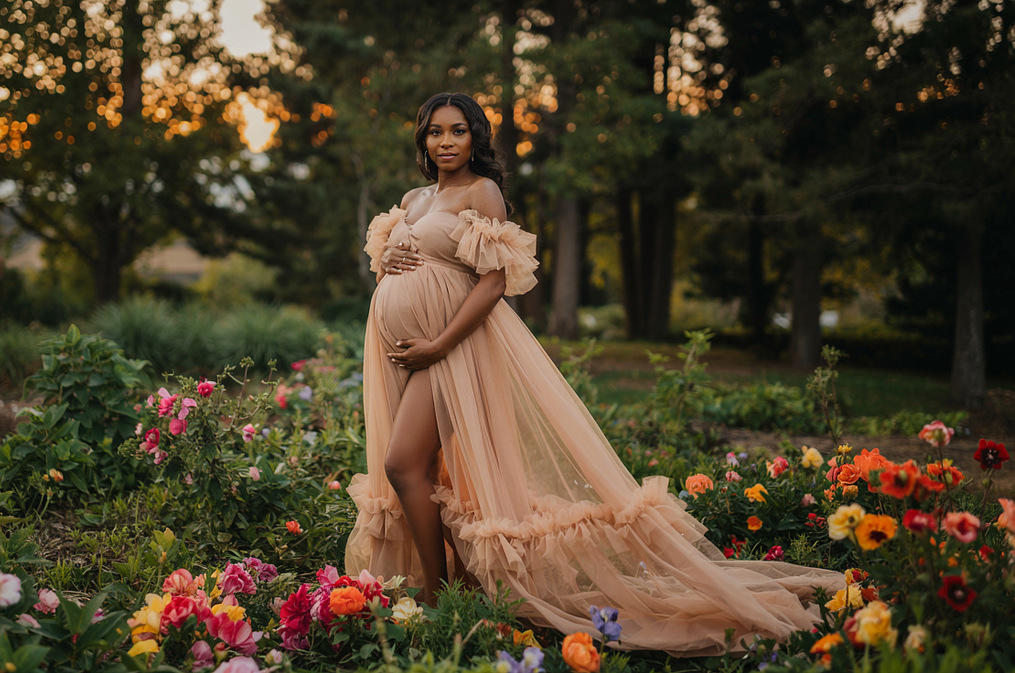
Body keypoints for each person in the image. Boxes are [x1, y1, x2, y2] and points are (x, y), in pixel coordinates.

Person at [343, 92, 844, 657]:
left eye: (458, 131)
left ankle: (440, 597)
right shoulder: (414, 198)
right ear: (423, 139)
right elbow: (403, 259)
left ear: (475, 138)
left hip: (453, 351)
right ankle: (460, 590)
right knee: (428, 471)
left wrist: (437, 343)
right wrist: (391, 264)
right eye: (435, 132)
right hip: (405, 353)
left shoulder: (481, 192)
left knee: (401, 464)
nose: (446, 142)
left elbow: (492, 281)